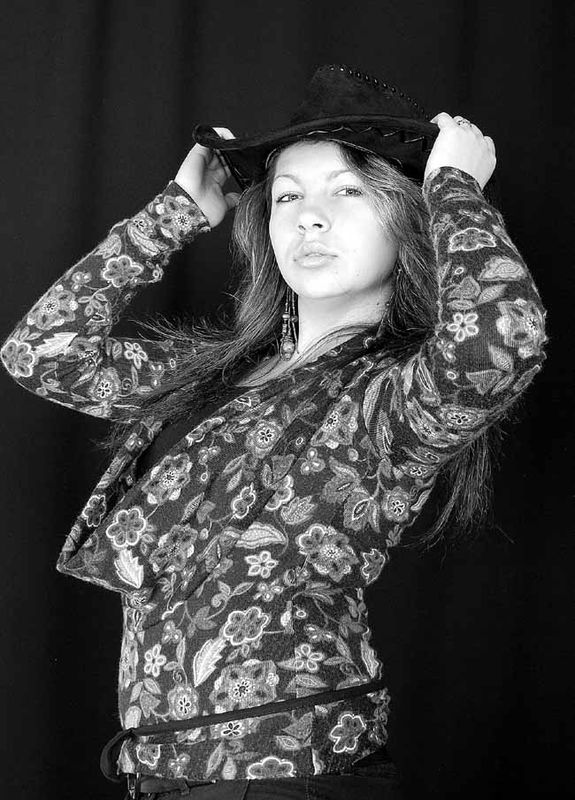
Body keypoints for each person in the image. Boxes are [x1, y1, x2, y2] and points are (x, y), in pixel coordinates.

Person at [0, 64, 548, 800]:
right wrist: (174, 214)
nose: (309, 218)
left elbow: (501, 342)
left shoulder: (391, 396)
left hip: (289, 775)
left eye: (347, 191)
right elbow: (41, 353)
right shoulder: (214, 375)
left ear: (408, 217)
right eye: (287, 196)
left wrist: (453, 186)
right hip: (160, 775)